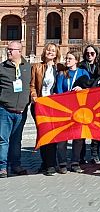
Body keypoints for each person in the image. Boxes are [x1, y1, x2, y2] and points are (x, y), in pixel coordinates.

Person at [29, 43, 64, 175]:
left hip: (53, 106)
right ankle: (49, 164)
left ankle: (48, 164)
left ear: (56, 54)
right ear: (45, 52)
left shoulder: (59, 68)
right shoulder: (37, 67)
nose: (51, 52)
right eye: (49, 50)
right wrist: (34, 96)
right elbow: (32, 85)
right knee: (43, 133)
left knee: (52, 134)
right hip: (39, 104)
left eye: (53, 51)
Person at [0, 41, 32, 178]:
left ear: (20, 51)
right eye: (8, 50)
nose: (8, 52)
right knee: (3, 140)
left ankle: (16, 165)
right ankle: (2, 167)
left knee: (16, 140)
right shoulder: (2, 68)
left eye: (11, 50)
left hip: (21, 111)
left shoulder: (28, 67)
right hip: (5, 109)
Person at [55, 50, 90, 173]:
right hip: (65, 108)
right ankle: (63, 163)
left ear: (76, 60)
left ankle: (75, 161)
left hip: (79, 109)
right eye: (66, 58)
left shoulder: (83, 73)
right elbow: (59, 91)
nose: (67, 61)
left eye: (70, 59)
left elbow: (89, 88)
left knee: (79, 137)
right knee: (62, 138)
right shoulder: (62, 74)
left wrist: (82, 88)